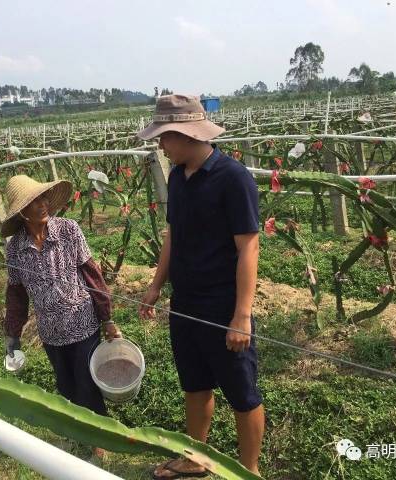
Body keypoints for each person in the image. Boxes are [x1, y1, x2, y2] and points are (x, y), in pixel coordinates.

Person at [137, 95, 265, 478]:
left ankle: (250, 471)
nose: (160, 145)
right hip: (185, 302)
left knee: (242, 394)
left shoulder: (233, 178)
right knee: (194, 386)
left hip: (223, 305)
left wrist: (241, 314)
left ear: (186, 134)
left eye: (164, 137)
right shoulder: (178, 177)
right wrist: (157, 285)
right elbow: (173, 236)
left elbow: (249, 247)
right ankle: (195, 460)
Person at [1, 174, 121, 458]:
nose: (42, 205)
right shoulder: (15, 248)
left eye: (44, 198)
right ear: (22, 211)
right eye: (34, 202)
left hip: (82, 323)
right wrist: (13, 335)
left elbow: (92, 275)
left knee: (87, 383)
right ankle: (77, 434)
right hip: (50, 330)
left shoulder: (68, 230)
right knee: (66, 385)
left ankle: (100, 442)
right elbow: (16, 295)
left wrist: (107, 318)